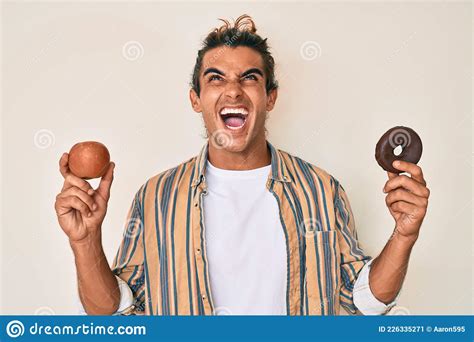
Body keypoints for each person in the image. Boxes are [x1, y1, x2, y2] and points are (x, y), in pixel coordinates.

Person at [54, 14, 430, 316]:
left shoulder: (320, 189)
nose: (232, 90)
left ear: (270, 97)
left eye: (249, 78)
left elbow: (362, 302)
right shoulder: (156, 197)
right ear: (196, 99)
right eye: (215, 79)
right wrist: (85, 242)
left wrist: (404, 235)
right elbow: (111, 312)